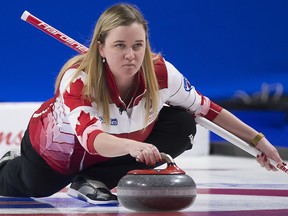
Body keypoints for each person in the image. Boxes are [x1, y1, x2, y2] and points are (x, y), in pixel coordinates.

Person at [0, 3, 285, 204]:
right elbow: (90, 139)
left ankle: (92, 180)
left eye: (138, 45)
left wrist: (258, 140)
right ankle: (10, 164)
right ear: (101, 48)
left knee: (181, 124)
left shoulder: (161, 73)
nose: (131, 56)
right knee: (37, 186)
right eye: (120, 46)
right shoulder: (78, 81)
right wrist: (133, 147)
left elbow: (207, 110)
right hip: (54, 153)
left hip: (110, 154)